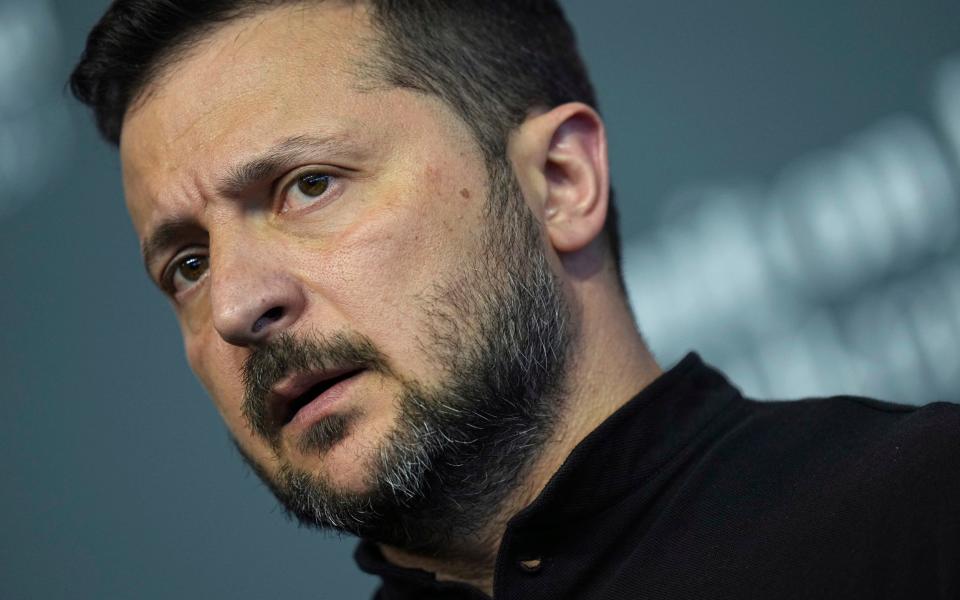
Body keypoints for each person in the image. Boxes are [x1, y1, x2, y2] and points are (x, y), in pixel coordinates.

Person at [70, 1, 959, 598]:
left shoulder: (923, 518)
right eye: (186, 263)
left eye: (308, 185)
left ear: (561, 181)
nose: (234, 304)